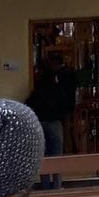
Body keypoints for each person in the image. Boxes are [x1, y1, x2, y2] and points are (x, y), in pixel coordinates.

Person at [27, 51, 77, 188]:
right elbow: (65, 104)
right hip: (54, 123)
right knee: (57, 156)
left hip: (40, 124)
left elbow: (29, 104)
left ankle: (45, 186)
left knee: (43, 156)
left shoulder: (37, 90)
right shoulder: (57, 89)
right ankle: (57, 185)